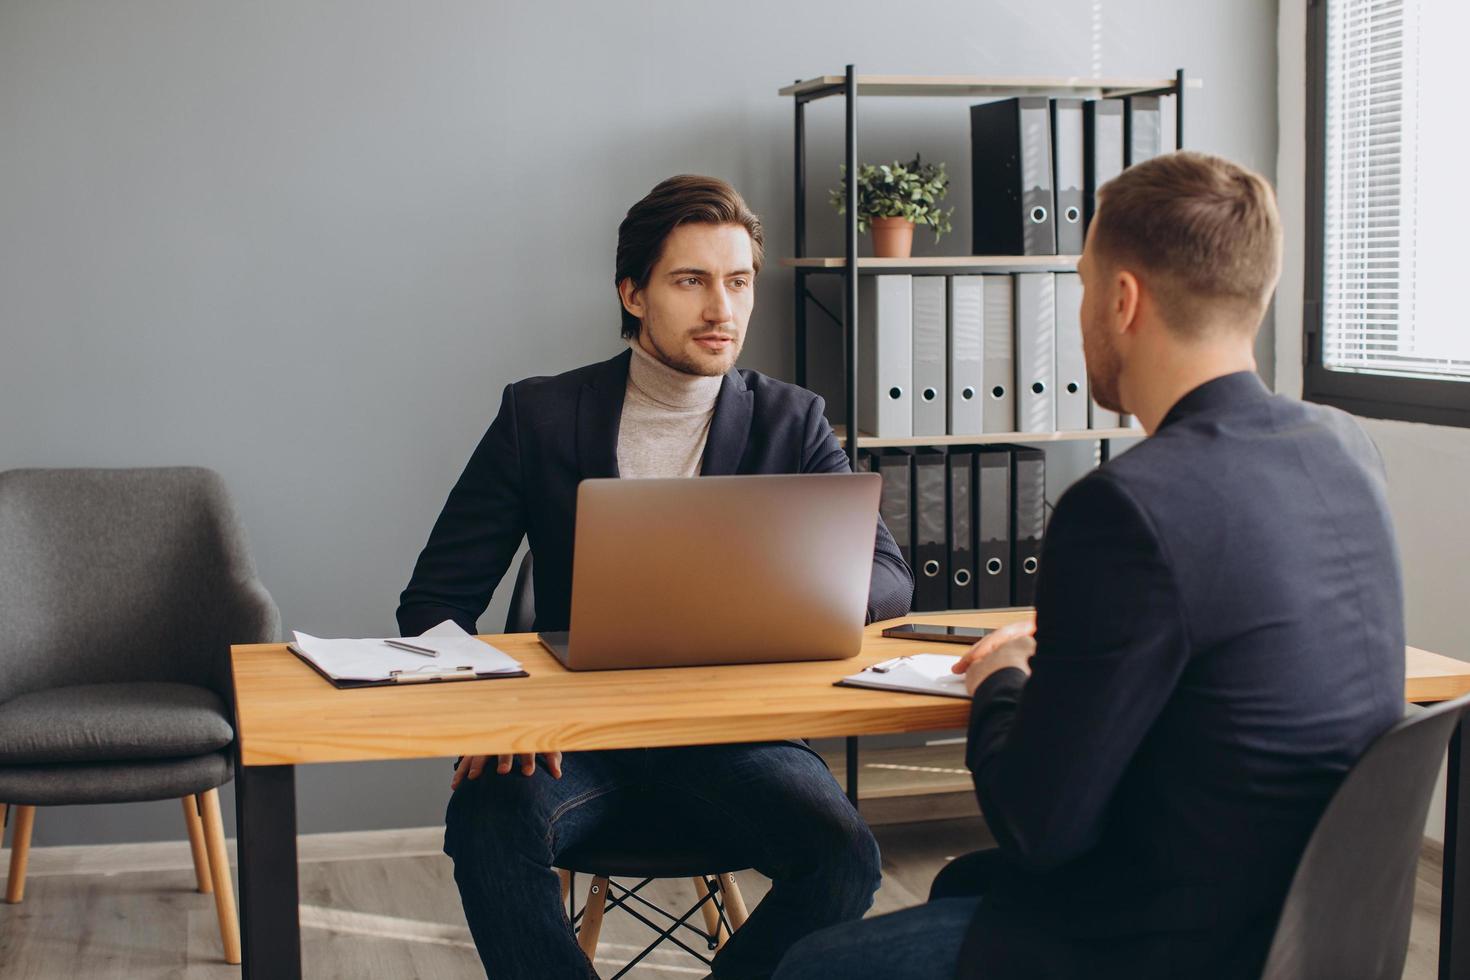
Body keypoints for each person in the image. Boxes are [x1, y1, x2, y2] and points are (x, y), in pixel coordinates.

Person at [773, 151, 1406, 980]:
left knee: (814, 966)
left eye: (1079, 284)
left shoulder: (1128, 505)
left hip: (1171, 944)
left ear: (1122, 299)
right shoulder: (1342, 448)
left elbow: (1038, 827)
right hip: (1317, 922)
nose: (1078, 315)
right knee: (964, 884)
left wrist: (1001, 675)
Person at [397, 174, 912, 979]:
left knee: (843, 855)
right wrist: (490, 714)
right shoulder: (538, 417)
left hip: (735, 740)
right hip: (576, 744)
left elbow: (888, 576)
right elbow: (435, 602)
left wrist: (759, 586)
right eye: (691, 281)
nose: (723, 308)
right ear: (633, 293)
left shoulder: (793, 420)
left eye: (738, 282)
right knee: (488, 819)